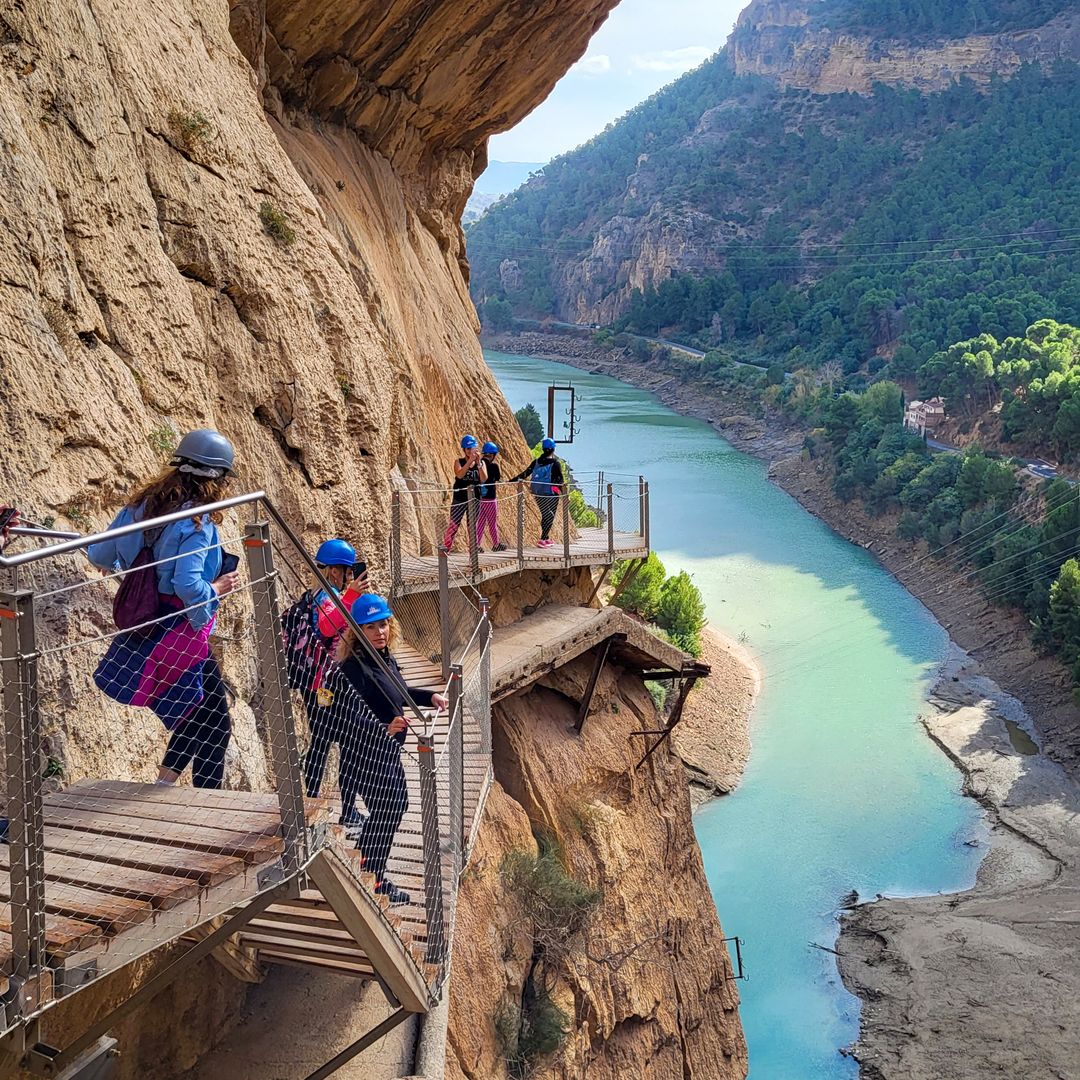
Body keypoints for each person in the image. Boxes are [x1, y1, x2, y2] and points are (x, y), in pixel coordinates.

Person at [88, 429, 239, 788]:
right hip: (177, 628)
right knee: (215, 722)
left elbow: (99, 555)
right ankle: (206, 806)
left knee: (197, 713)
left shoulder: (140, 506)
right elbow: (188, 584)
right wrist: (216, 590)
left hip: (145, 621)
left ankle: (165, 787)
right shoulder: (197, 521)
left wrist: (131, 566)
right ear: (216, 480)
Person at [334, 593, 448, 905]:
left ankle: (366, 865)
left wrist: (429, 697)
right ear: (358, 631)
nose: (380, 632)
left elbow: (399, 691)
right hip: (366, 754)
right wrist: (383, 728)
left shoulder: (384, 658)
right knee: (389, 808)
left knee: (394, 807)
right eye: (370, 627)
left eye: (383, 624)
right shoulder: (354, 668)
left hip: (387, 751)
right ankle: (374, 877)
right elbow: (346, 716)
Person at [285, 538, 369, 836]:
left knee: (322, 742)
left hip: (319, 684)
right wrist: (351, 596)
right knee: (342, 744)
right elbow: (326, 627)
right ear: (335, 571)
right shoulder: (327, 597)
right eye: (347, 570)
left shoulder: (318, 595)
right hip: (327, 684)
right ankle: (342, 810)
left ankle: (312, 801)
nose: (349, 575)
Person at [510, 438, 564, 549]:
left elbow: (525, 473)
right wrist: (565, 494)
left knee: (545, 513)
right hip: (551, 493)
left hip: (538, 491)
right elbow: (560, 481)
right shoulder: (555, 463)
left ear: (543, 449)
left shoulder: (536, 462)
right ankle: (543, 539)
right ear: (553, 449)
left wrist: (511, 480)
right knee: (550, 515)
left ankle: (546, 537)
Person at [441, 435, 487, 551]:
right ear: (464, 450)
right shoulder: (459, 462)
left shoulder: (481, 463)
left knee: (472, 526)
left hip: (475, 499)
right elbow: (460, 475)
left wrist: (478, 464)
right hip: (460, 498)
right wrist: (470, 461)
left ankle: (473, 550)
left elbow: (483, 478)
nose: (470, 451)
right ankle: (446, 547)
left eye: (472, 448)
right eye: (468, 449)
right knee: (454, 524)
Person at [476, 442, 506, 552]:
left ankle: (476, 545)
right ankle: (496, 544)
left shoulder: (479, 464)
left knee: (480, 523)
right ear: (493, 455)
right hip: (490, 499)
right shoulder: (494, 466)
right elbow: (497, 477)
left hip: (479, 498)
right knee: (492, 523)